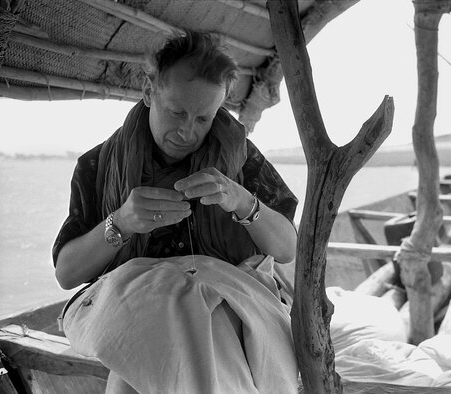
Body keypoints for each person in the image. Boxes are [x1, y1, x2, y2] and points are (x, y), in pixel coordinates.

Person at [53, 29, 299, 394]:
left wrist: (243, 202)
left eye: (203, 119)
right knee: (178, 320)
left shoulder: (241, 159)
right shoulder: (98, 165)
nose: (187, 131)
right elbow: (67, 274)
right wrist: (120, 223)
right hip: (131, 303)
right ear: (150, 92)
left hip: (228, 298)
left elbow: (286, 249)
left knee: (188, 331)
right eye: (177, 112)